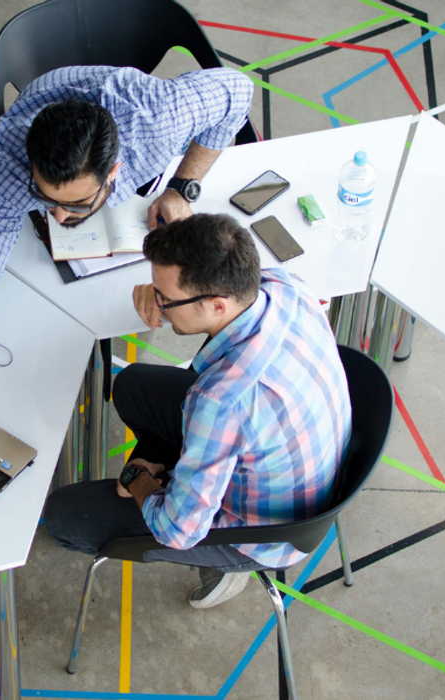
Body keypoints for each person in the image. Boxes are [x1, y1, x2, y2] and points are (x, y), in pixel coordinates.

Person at [0, 65, 254, 434]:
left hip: (132, 111)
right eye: (45, 198)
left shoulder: (158, 119)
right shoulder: (12, 161)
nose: (58, 217)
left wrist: (183, 185)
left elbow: (239, 90)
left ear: (113, 172)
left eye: (76, 205)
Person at [42, 213, 353, 608]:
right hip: (301, 464)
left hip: (262, 533)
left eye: (165, 299)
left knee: (64, 515)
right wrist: (157, 291)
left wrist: (138, 477)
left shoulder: (220, 401)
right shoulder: (283, 286)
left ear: (217, 305)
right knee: (132, 386)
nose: (158, 305)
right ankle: (181, 475)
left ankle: (224, 566)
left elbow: (177, 530)